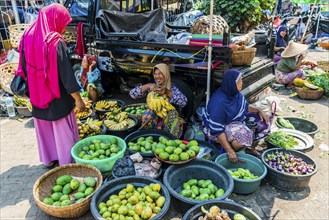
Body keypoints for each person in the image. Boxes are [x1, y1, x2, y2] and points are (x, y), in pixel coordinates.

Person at [14, 4, 85, 167]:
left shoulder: (27, 35)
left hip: (36, 95)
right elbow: (67, 77)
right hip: (57, 98)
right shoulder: (55, 42)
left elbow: (23, 68)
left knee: (44, 128)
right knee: (62, 131)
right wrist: (79, 100)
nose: (65, 29)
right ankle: (67, 162)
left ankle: (49, 159)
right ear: (55, 19)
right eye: (64, 23)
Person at [202, 69, 270, 163]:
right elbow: (216, 130)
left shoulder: (236, 94)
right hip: (213, 129)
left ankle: (250, 148)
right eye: (240, 81)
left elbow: (245, 106)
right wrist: (229, 151)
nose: (242, 83)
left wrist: (259, 110)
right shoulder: (218, 103)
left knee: (264, 123)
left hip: (234, 121)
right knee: (243, 135)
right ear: (232, 83)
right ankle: (234, 150)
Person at [129, 63, 187, 137]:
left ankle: (169, 139)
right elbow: (132, 94)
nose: (157, 76)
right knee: (148, 113)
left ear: (166, 75)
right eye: (155, 74)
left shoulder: (173, 89)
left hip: (168, 117)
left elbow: (184, 102)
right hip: (153, 118)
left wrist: (167, 92)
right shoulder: (152, 88)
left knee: (172, 115)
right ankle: (149, 136)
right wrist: (148, 86)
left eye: (160, 74)